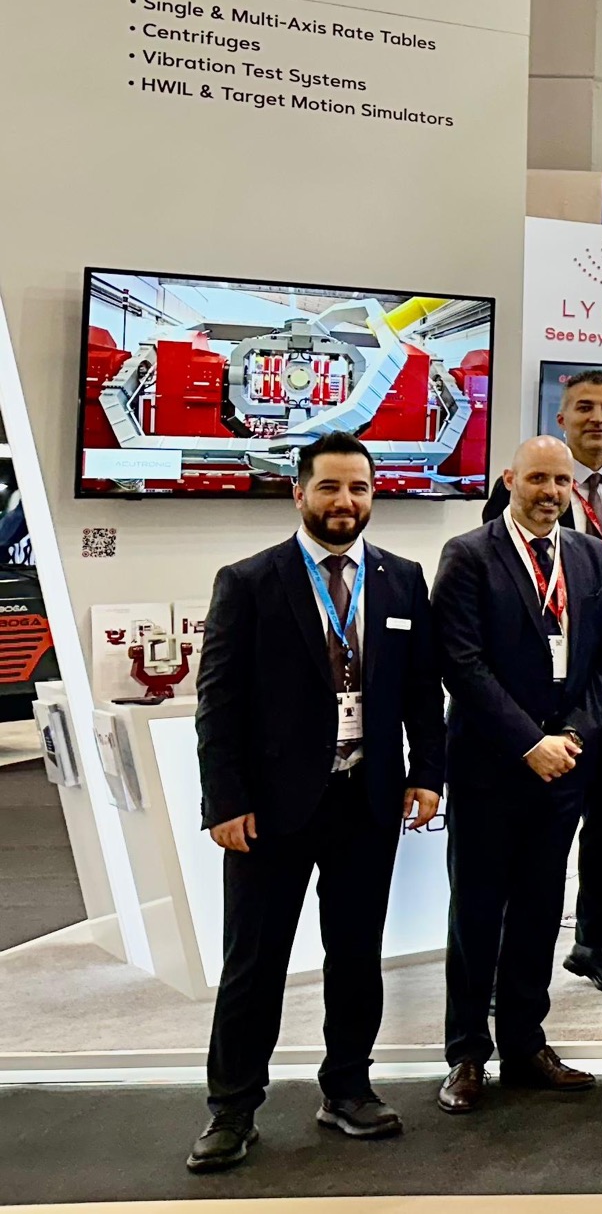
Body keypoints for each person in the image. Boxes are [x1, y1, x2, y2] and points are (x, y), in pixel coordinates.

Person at [186, 432, 445, 1173]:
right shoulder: (249, 581)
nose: (345, 501)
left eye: (358, 488)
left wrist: (428, 773)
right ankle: (232, 1109)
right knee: (254, 963)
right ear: (298, 492)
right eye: (329, 487)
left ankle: (348, 1089)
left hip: (367, 798)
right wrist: (224, 801)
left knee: (357, 955)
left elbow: (422, 690)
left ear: (373, 494)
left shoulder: (401, 579)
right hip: (270, 809)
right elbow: (218, 703)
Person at [434, 435, 602, 1112]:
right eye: (538, 479)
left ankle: (524, 1043)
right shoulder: (467, 554)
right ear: (511, 479)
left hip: (565, 767)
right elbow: (460, 663)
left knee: (541, 909)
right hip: (490, 767)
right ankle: (466, 1054)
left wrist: (571, 735)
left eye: (561, 482)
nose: (550, 493)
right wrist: (528, 743)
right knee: (477, 912)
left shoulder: (592, 556)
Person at [481, 369, 602, 995]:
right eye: (584, 407)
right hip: (537, 702)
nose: (597, 418)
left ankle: (594, 943)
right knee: (523, 843)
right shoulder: (520, 491)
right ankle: (504, 965)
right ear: (562, 417)